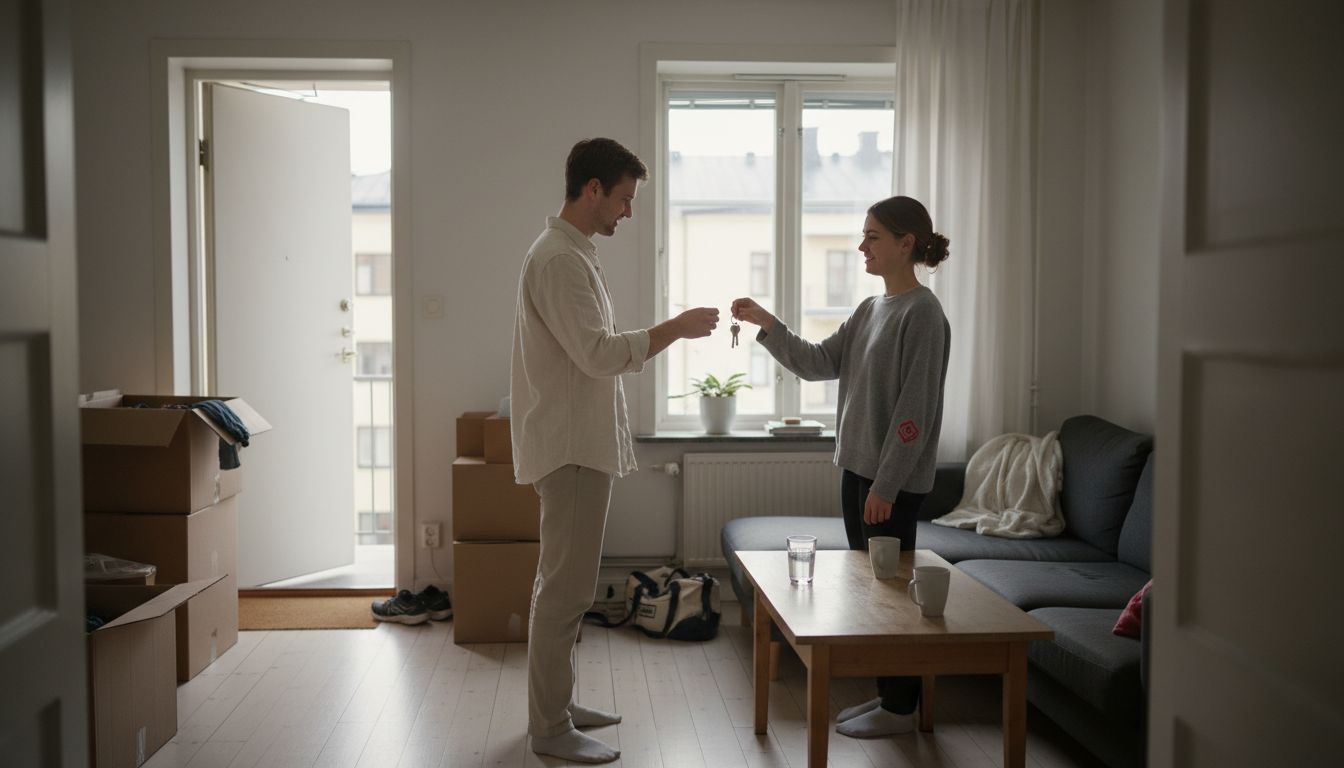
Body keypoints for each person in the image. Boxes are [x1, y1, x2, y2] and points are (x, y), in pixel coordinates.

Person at [510, 137, 719, 764]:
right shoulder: (559, 260)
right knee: (566, 591)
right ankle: (550, 727)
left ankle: (558, 706)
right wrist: (675, 328)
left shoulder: (573, 252)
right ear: (593, 188)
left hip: (577, 444)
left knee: (564, 586)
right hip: (570, 448)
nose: (628, 212)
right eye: (624, 199)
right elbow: (598, 355)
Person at [730, 195, 951, 738]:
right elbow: (816, 363)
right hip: (857, 470)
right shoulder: (870, 310)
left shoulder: (923, 314)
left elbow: (914, 414)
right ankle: (889, 698)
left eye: (873, 236)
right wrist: (767, 323)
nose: (861, 246)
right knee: (873, 593)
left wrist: (887, 486)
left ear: (906, 243)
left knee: (891, 595)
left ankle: (900, 709)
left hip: (887, 483)